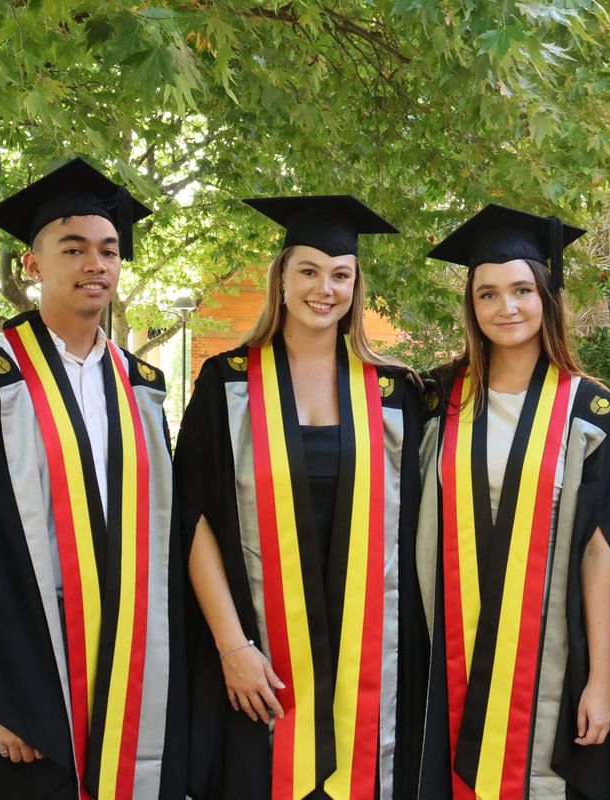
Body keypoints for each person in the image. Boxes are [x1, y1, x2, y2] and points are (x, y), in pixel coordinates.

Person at [0, 157, 188, 799]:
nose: (95, 264)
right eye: (73, 248)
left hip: (131, 648)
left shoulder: (143, 389)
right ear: (33, 265)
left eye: (108, 250)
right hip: (29, 651)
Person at [175, 195, 427, 799]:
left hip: (372, 663)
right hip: (258, 656)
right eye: (309, 271)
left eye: (340, 274)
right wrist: (231, 646)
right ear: (281, 278)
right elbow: (193, 520)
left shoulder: (397, 395)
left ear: (356, 287)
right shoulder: (227, 384)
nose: (324, 288)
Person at [416, 204, 610, 800]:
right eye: (487, 294)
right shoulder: (434, 399)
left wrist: (602, 679)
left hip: (549, 658)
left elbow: (601, 553)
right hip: (448, 650)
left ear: (546, 296)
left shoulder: (592, 416)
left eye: (521, 290)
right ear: (471, 306)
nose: (506, 307)